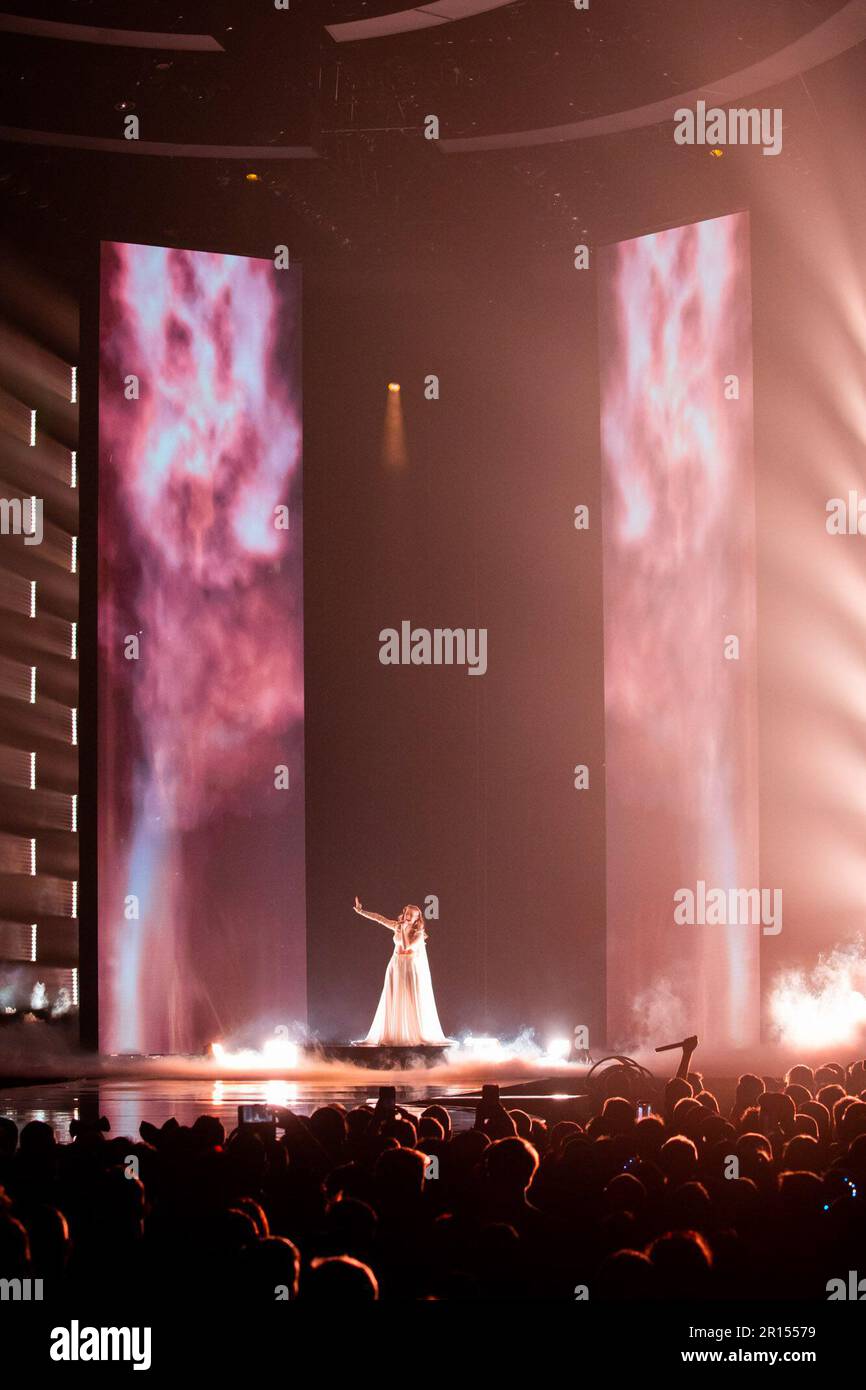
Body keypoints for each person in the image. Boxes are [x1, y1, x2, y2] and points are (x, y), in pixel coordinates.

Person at [353, 897, 448, 1045]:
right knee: (394, 996)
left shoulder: (419, 934)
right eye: (406, 912)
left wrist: (404, 930)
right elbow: (379, 918)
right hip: (396, 965)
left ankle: (412, 1033)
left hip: (410, 968)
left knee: (409, 997)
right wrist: (361, 911)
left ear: (417, 919)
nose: (407, 915)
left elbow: (406, 946)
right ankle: (394, 1033)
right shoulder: (397, 926)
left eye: (411, 914)